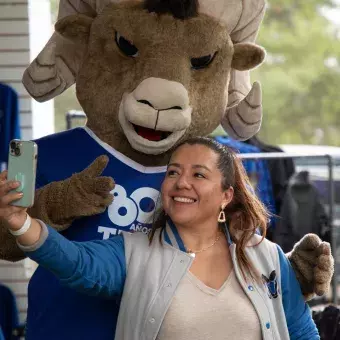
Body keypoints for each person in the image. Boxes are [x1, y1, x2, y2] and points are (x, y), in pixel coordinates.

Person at [0, 137, 319, 339]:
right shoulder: (134, 251)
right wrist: (21, 222)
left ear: (226, 195)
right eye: (173, 172)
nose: (182, 183)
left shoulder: (267, 256)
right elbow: (76, 263)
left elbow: (301, 330)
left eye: (198, 174)